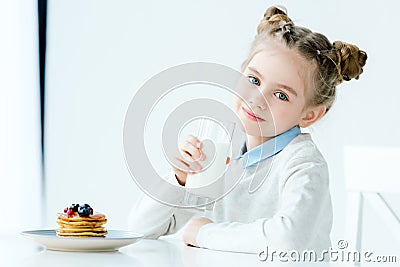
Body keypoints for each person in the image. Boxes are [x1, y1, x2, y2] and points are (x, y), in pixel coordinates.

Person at [129, 6, 367, 256]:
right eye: (254, 80)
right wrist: (178, 181)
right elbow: (142, 228)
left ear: (309, 115)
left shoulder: (303, 163)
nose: (257, 99)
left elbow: (288, 239)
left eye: (281, 95)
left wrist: (204, 233)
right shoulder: (224, 152)